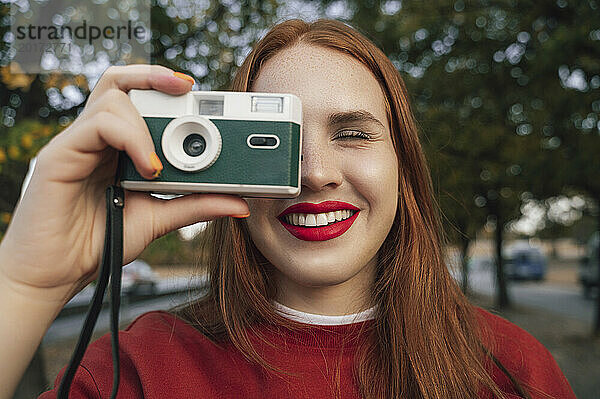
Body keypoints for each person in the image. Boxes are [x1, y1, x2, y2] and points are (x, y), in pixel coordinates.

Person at [0, 18, 575, 399]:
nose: (316, 173)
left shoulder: (510, 369)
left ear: (403, 163)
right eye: (272, 143)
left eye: (352, 134)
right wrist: (25, 285)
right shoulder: (134, 373)